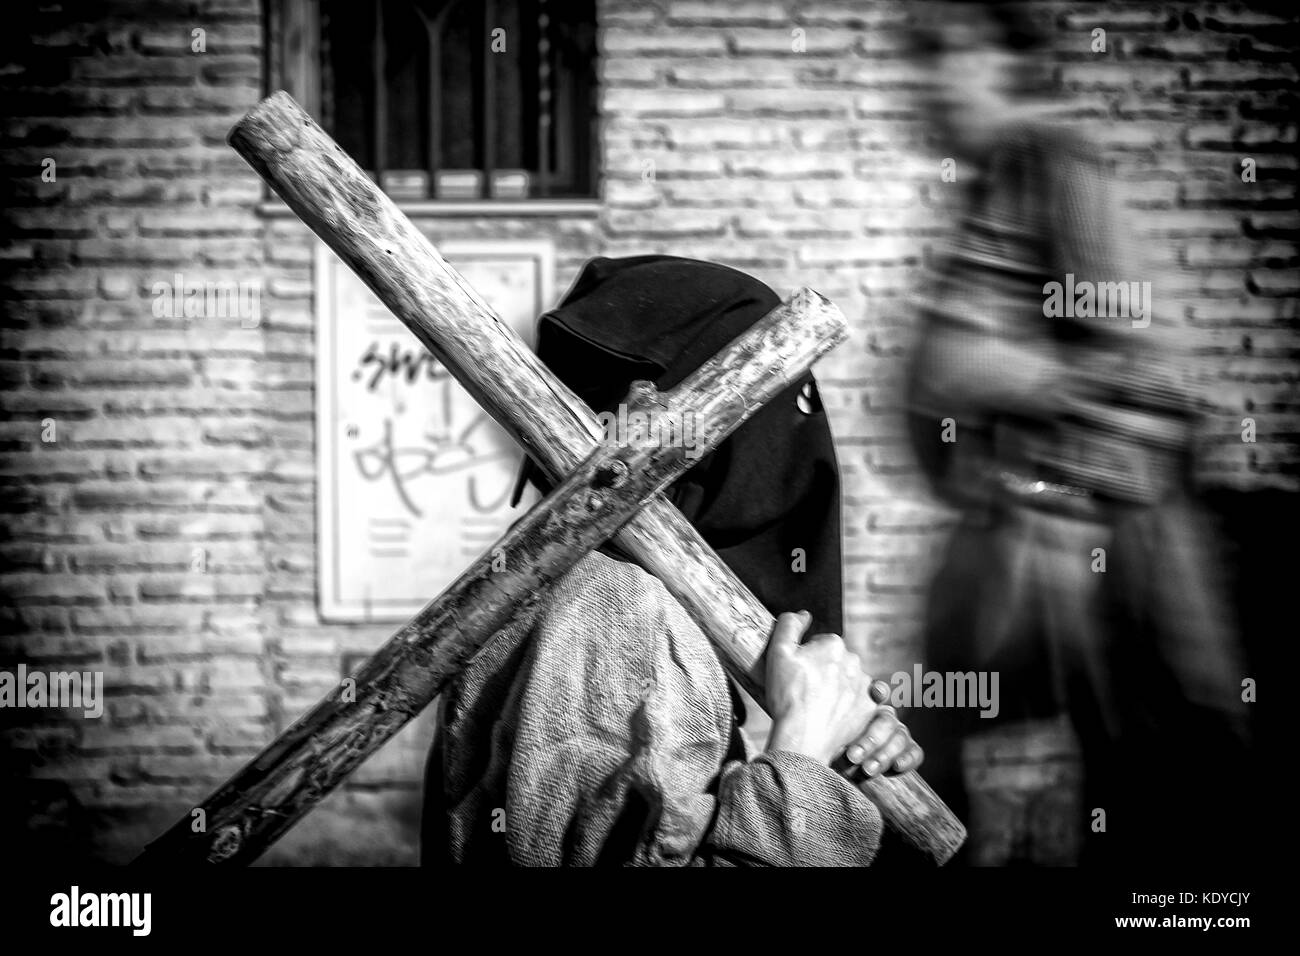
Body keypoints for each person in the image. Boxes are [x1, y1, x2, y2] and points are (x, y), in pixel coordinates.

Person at [421, 256, 922, 866]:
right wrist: (804, 761)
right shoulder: (613, 620)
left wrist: (838, 757)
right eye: (782, 407)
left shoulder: (606, 600)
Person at [903, 2, 1251, 866]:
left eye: (948, 54)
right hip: (1029, 548)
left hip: (1075, 554)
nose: (925, 81)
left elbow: (1145, 371)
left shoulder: (1053, 162)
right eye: (918, 58)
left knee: (1120, 802)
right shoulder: (999, 179)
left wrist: (1054, 507)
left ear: (1011, 62)